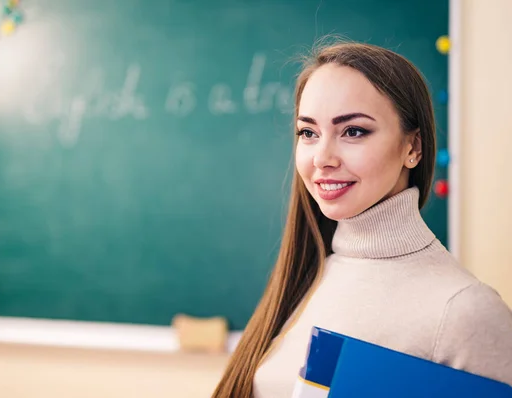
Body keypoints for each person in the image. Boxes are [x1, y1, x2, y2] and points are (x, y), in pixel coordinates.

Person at [212, 41, 512, 398]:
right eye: (308, 133)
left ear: (413, 148)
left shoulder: (465, 311)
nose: (322, 158)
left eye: (353, 131)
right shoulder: (305, 275)